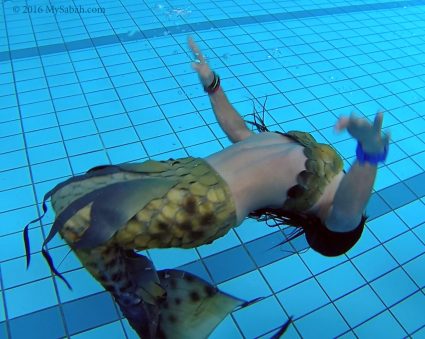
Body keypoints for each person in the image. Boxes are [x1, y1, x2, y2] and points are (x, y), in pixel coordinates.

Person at [23, 37, 390, 338]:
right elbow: (239, 133)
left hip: (205, 202)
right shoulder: (313, 170)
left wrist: (370, 155)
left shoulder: (338, 216)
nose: (356, 209)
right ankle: (144, 295)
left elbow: (347, 209)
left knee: (80, 221)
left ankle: (140, 308)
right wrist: (213, 84)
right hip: (186, 173)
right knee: (71, 197)